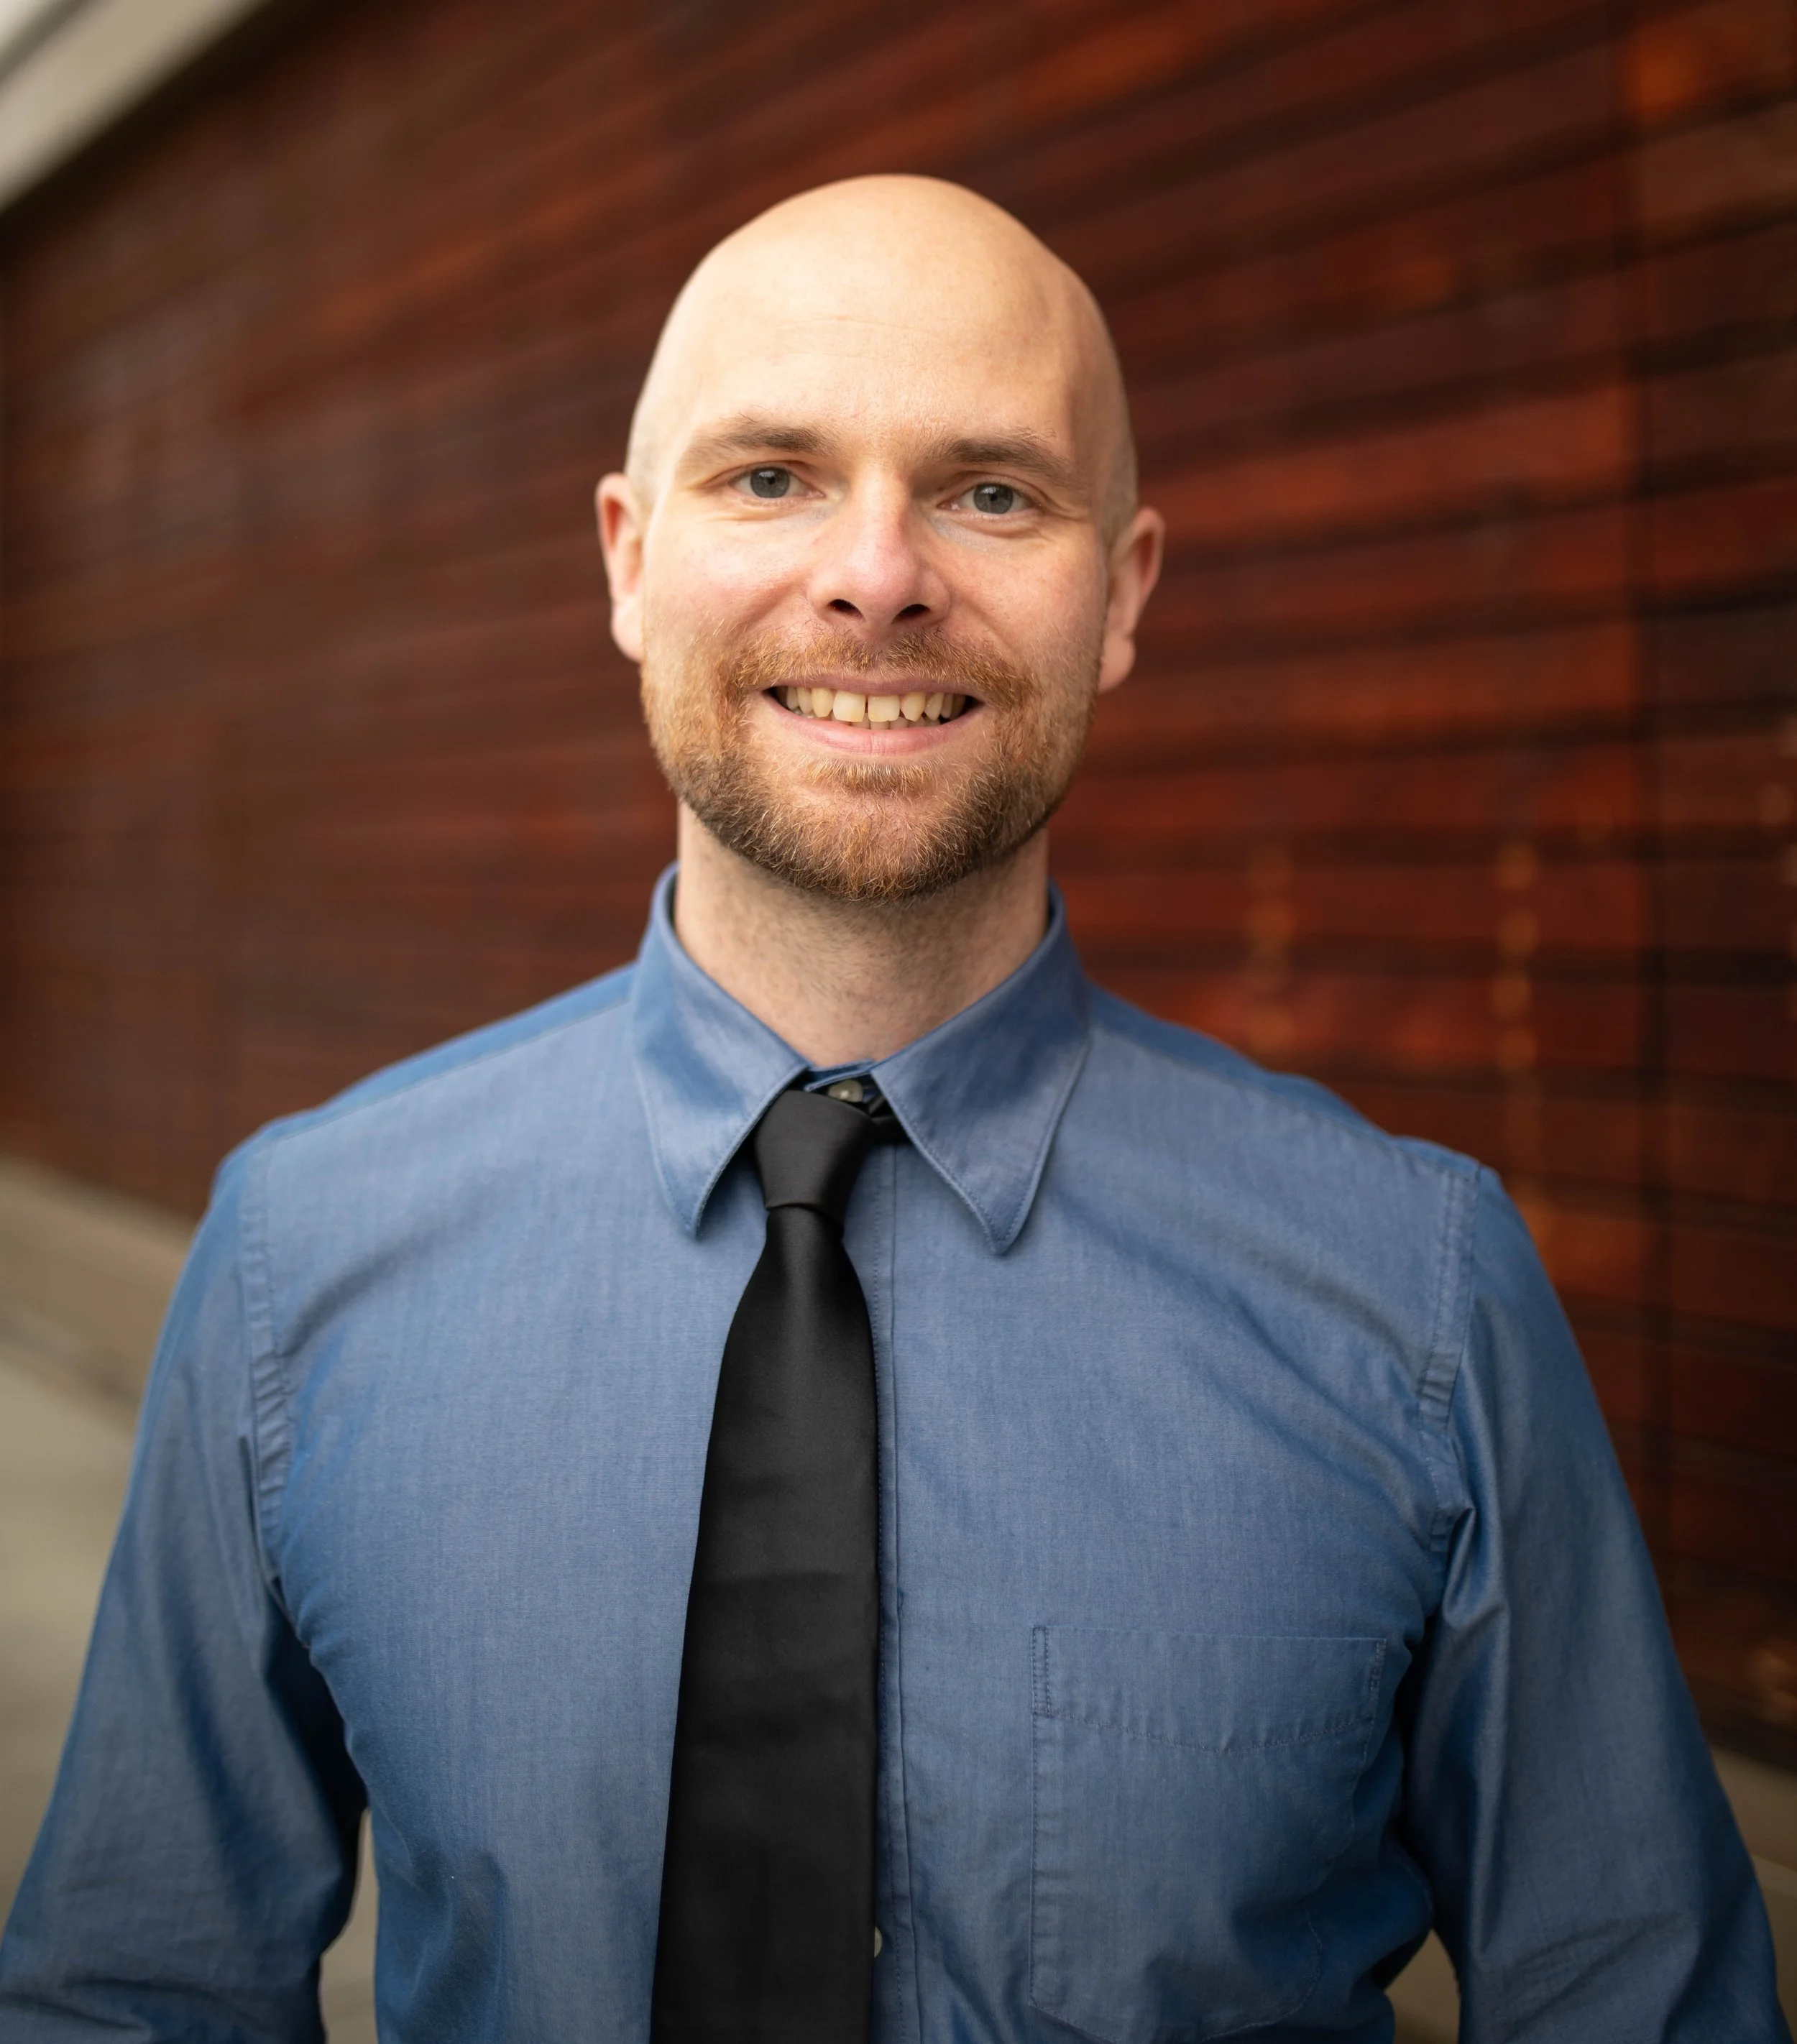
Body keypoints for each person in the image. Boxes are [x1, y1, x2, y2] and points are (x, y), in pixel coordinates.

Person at [0, 175, 1782, 2044]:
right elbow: (137, 1998)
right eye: (768, 474)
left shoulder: (1414, 1299)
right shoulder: (301, 1260)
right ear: (624, 557)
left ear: (1123, 594)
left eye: (990, 489)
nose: (874, 575)